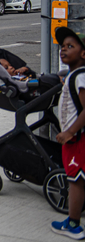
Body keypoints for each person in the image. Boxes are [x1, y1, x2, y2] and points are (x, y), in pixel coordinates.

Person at [51, 27, 85, 239]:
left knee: (75, 182)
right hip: (77, 140)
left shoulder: (80, 77)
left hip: (77, 141)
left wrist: (70, 132)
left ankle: (74, 225)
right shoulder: (75, 75)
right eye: (62, 46)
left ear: (84, 54)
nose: (63, 50)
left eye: (70, 46)